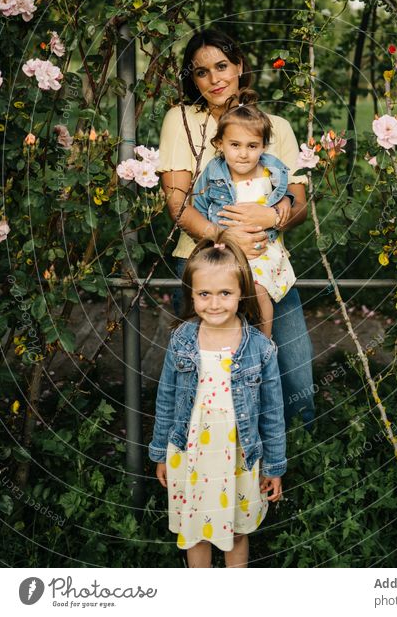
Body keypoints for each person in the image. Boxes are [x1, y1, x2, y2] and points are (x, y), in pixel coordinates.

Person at [156, 28, 314, 426]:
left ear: (239, 66)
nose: (214, 79)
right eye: (201, 72)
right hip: (206, 266)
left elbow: (298, 199)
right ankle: (214, 469)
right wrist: (220, 234)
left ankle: (293, 469)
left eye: (222, 66)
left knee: (294, 371)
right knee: (214, 378)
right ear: (192, 80)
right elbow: (176, 203)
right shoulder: (182, 121)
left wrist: (273, 215)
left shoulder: (273, 125)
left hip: (269, 264)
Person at [148, 237, 286, 568]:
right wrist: (160, 453)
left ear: (241, 293)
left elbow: (272, 413)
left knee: (236, 530)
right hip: (191, 454)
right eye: (204, 294)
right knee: (195, 529)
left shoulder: (260, 349)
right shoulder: (182, 340)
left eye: (225, 293)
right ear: (191, 294)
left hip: (238, 455)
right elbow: (166, 398)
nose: (214, 304)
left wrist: (274, 467)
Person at [192, 89, 296, 339]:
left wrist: (284, 202)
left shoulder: (271, 169)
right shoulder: (213, 173)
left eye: (252, 146)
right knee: (225, 293)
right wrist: (216, 238)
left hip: (263, 248)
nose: (243, 153)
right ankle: (231, 343)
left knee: (256, 289)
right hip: (227, 249)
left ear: (262, 146)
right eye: (235, 145)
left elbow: (284, 191)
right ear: (220, 144)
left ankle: (263, 343)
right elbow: (198, 205)